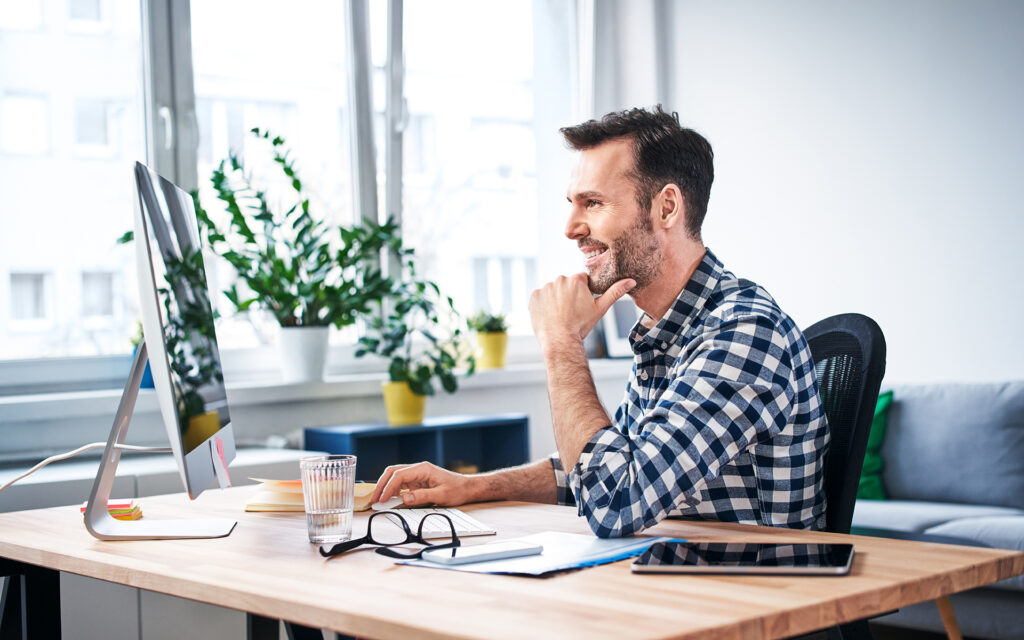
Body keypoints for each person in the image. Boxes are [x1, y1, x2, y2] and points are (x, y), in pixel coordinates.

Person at [369, 106, 829, 537]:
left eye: (592, 203)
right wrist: (475, 487)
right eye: (573, 203)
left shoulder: (743, 334)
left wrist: (561, 341)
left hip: (751, 607)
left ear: (666, 207)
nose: (570, 227)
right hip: (675, 590)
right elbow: (602, 472)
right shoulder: (667, 333)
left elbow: (615, 501)